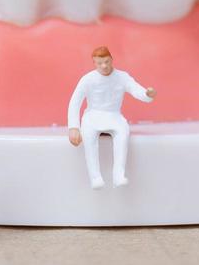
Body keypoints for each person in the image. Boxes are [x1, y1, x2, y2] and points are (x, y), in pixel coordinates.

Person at [66, 46, 155, 188]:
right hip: (92, 116)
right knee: (89, 139)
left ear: (112, 60)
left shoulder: (122, 77)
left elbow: (136, 89)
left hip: (114, 115)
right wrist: (73, 127)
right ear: (94, 63)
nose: (104, 66)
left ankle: (118, 175)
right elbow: (75, 102)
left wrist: (147, 94)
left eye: (107, 61)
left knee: (123, 134)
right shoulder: (87, 79)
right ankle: (95, 177)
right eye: (100, 63)